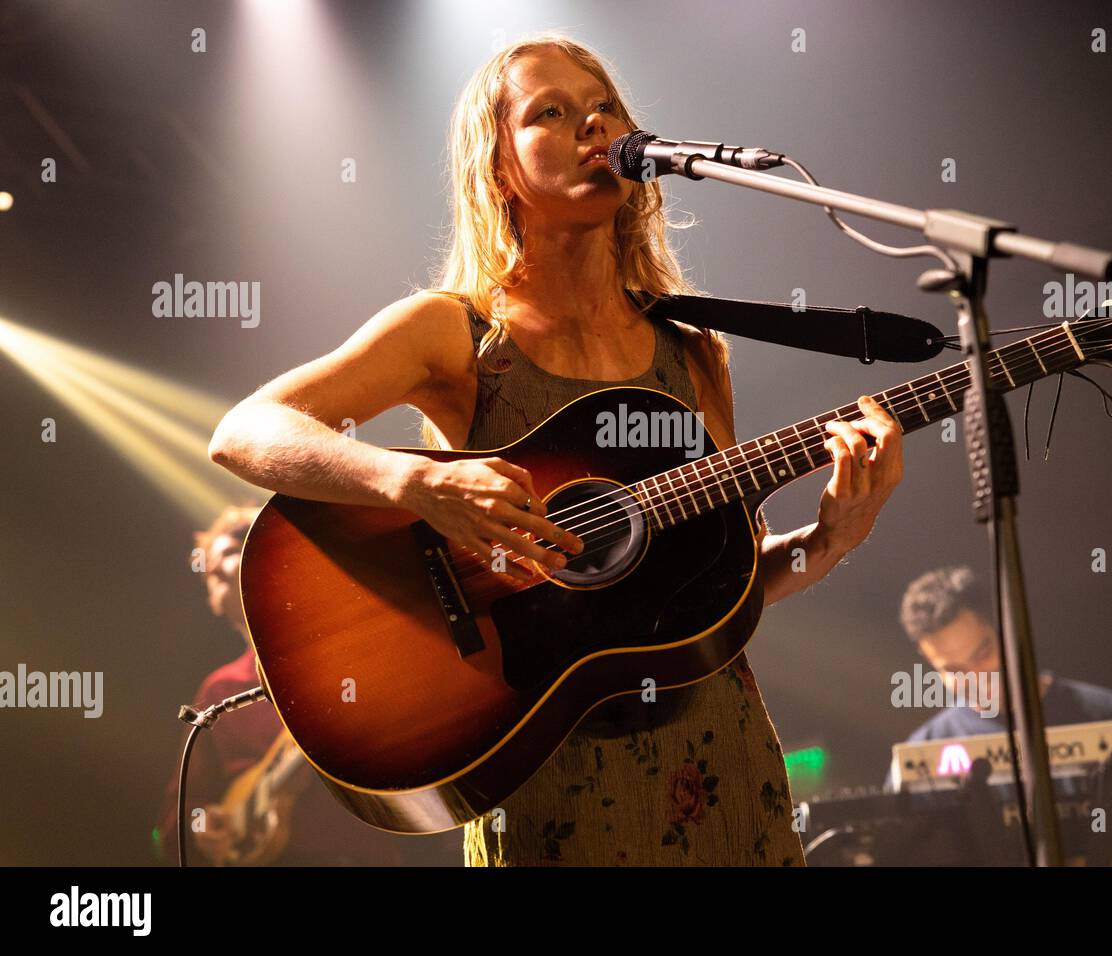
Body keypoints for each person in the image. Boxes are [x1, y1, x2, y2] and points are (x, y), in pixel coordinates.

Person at [207, 32, 904, 866]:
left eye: (604, 107)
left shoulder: (692, 348)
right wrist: (411, 485)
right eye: (553, 113)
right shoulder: (452, 331)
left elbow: (716, 588)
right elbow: (245, 429)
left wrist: (831, 539)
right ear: (499, 166)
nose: (593, 125)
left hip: (719, 763)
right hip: (545, 777)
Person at [155, 505, 405, 866]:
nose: (235, 561)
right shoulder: (218, 691)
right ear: (212, 597)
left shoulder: (340, 651)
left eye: (246, 545)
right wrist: (200, 827)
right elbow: (176, 815)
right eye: (223, 555)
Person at [898, 566, 1112, 743]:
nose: (976, 678)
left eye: (983, 653)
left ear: (1008, 630)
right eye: (955, 670)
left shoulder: (1109, 713)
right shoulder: (926, 749)